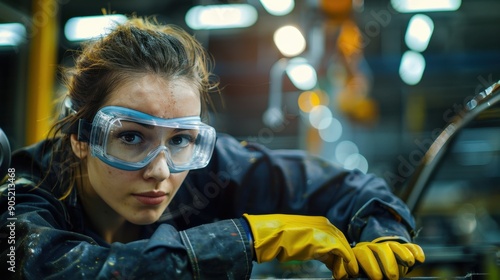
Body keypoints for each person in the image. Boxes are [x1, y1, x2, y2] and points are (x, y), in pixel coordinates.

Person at [0, 16, 424, 279]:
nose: (162, 171)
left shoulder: (210, 171)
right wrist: (248, 238)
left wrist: (383, 234)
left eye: (182, 139)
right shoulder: (24, 190)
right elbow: (51, 268)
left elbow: (354, 189)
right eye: (131, 137)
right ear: (80, 138)